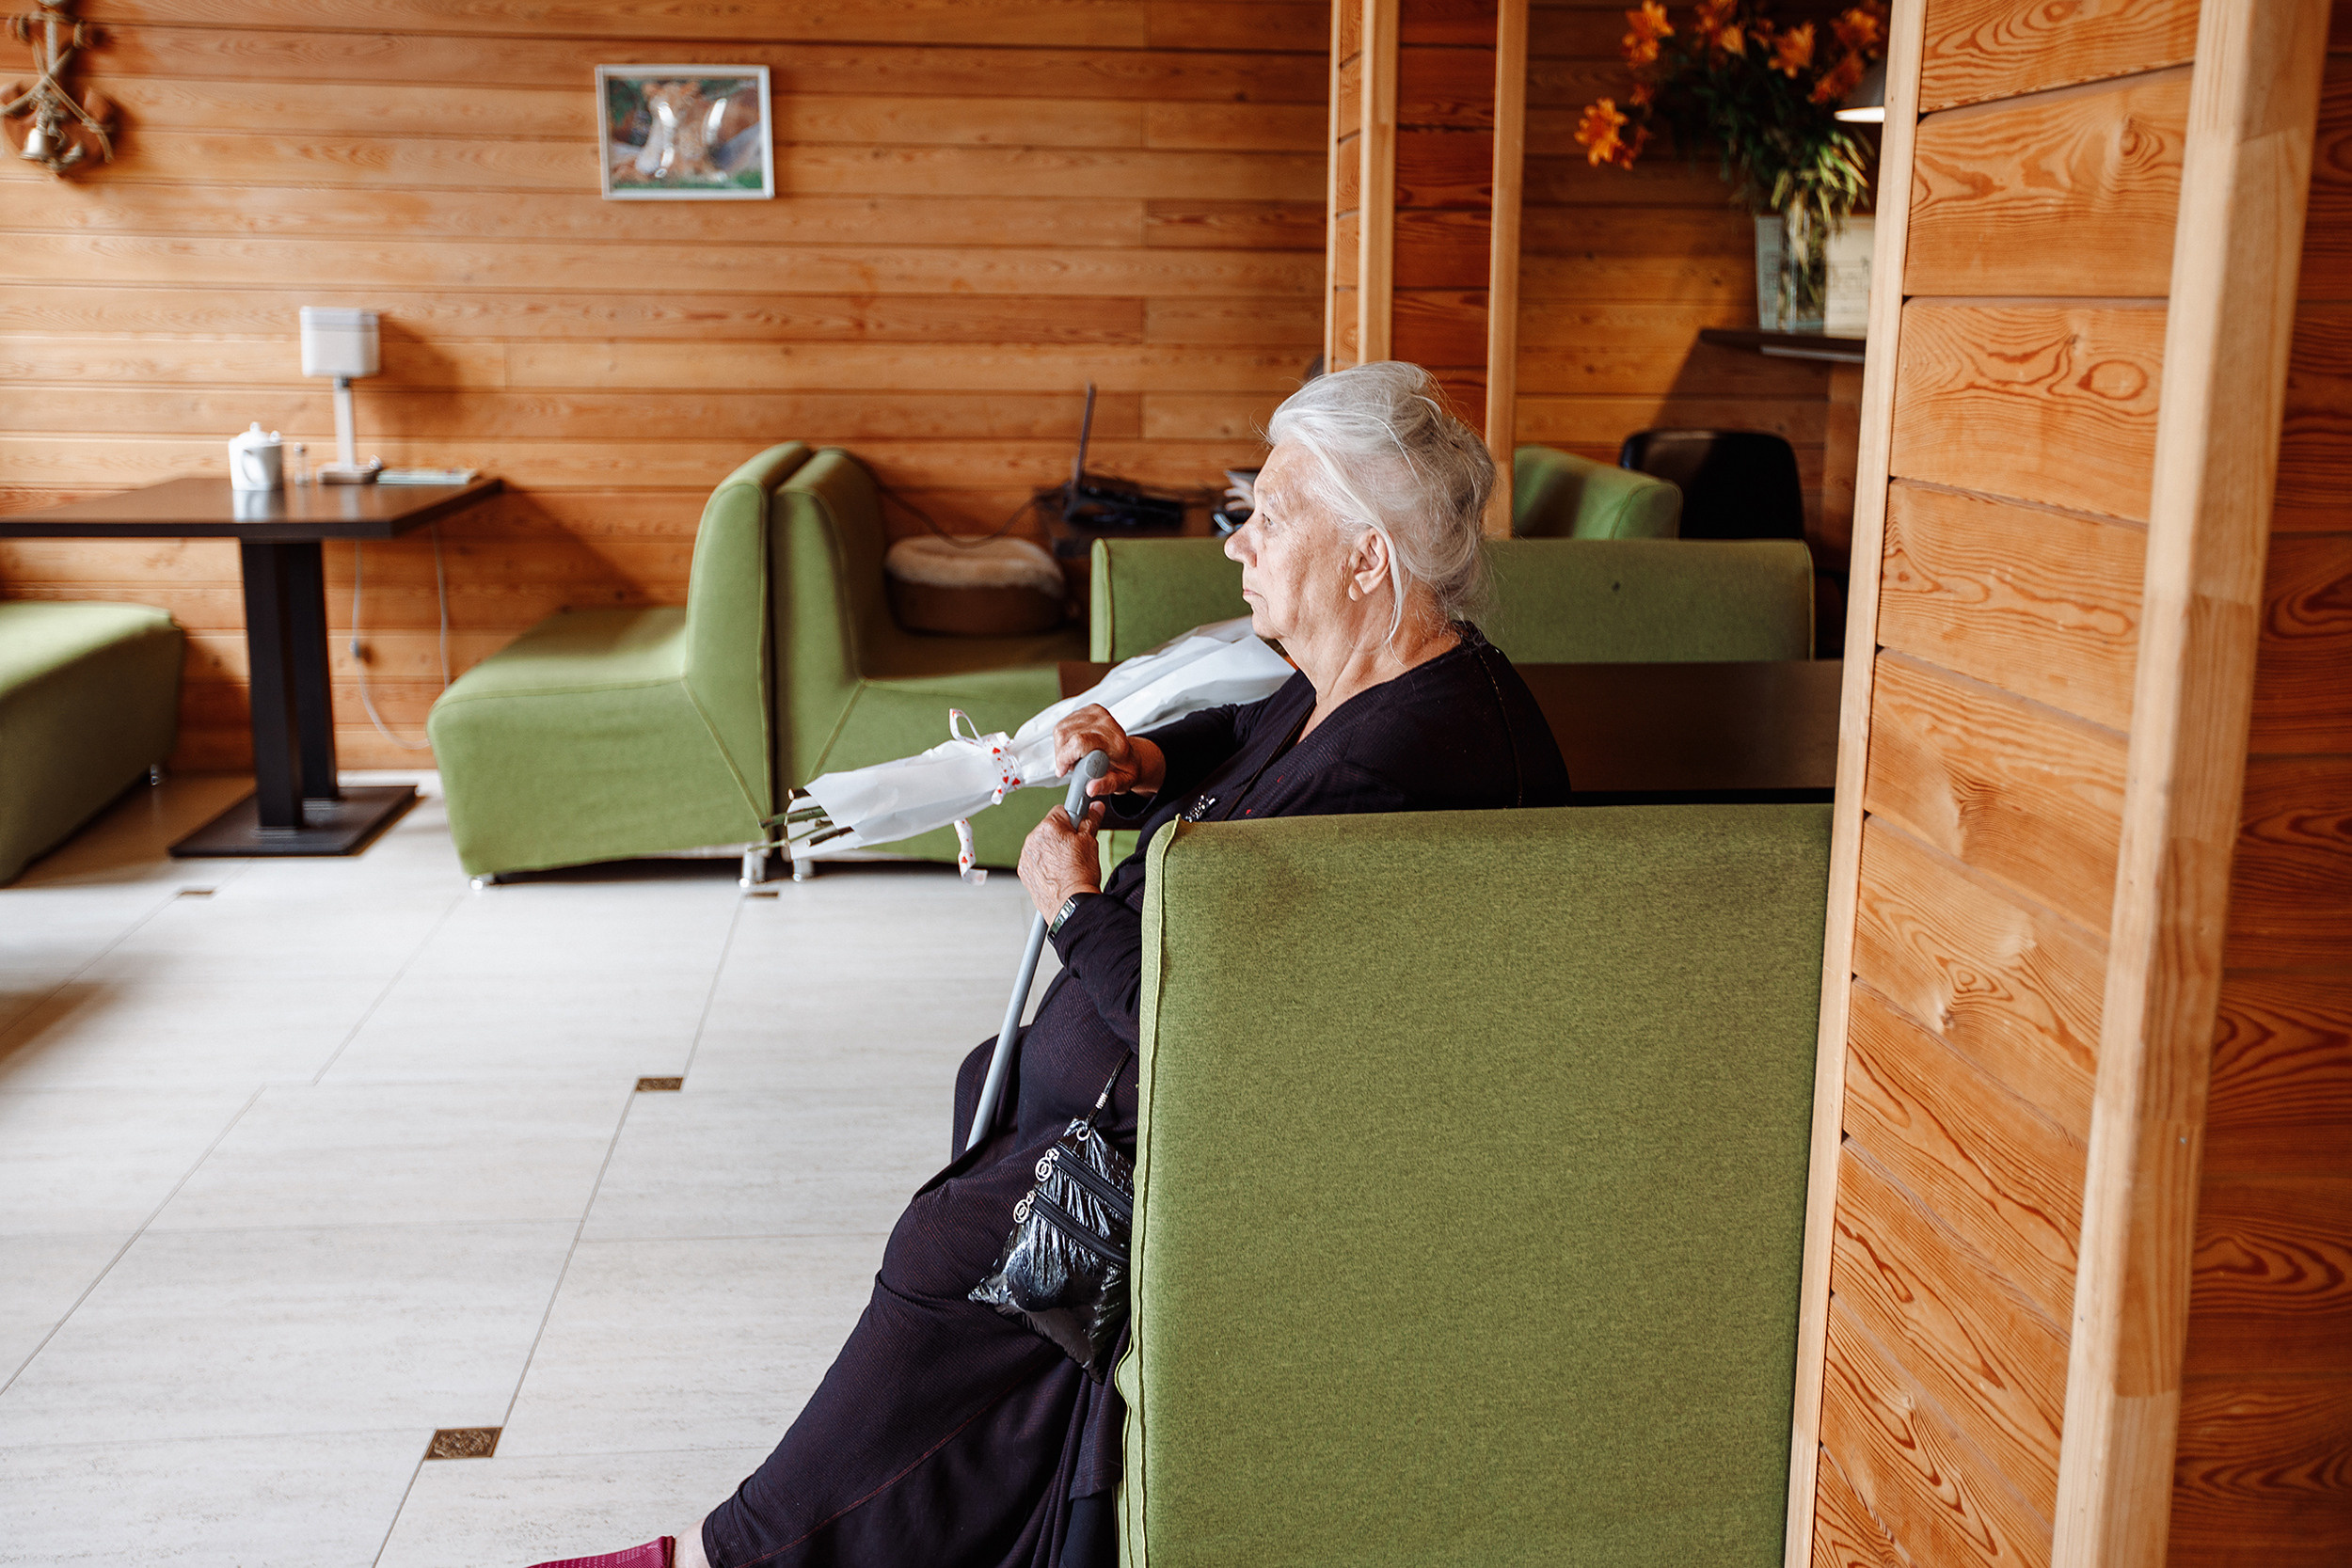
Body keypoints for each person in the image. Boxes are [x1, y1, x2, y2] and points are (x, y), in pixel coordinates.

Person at [532, 362, 1571, 1568]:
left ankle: (733, 1555)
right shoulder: (1375, 682)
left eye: (1271, 515)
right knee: (994, 1185)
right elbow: (1248, 745)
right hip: (1186, 1105)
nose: (1237, 544)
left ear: (1365, 558)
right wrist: (1144, 759)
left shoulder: (1403, 755)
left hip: (1258, 1145)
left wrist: (1075, 909)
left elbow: (1227, 1033)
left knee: (952, 1250)